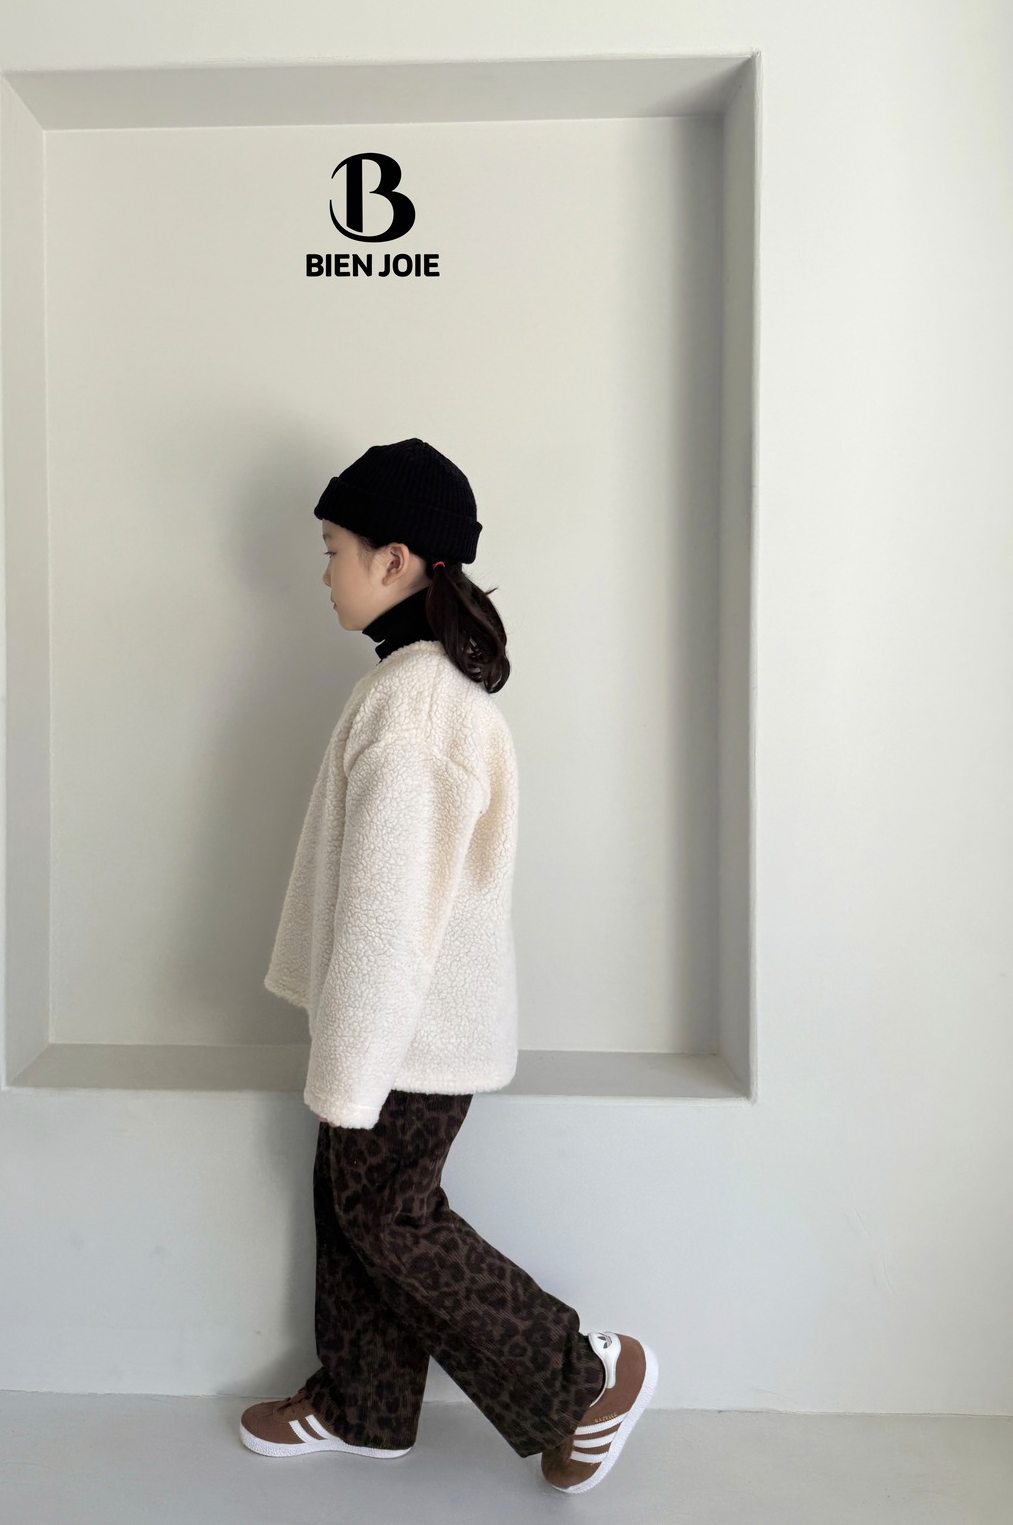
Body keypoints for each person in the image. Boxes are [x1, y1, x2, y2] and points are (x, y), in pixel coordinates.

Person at [239, 438, 657, 1493]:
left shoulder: (416, 705)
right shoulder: (414, 687)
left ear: (393, 560)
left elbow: (388, 915)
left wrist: (350, 1070)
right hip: (401, 1031)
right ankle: (366, 1405)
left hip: (403, 1037)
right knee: (359, 1211)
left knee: (389, 1218)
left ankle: (584, 1379)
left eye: (332, 548)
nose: (322, 572)